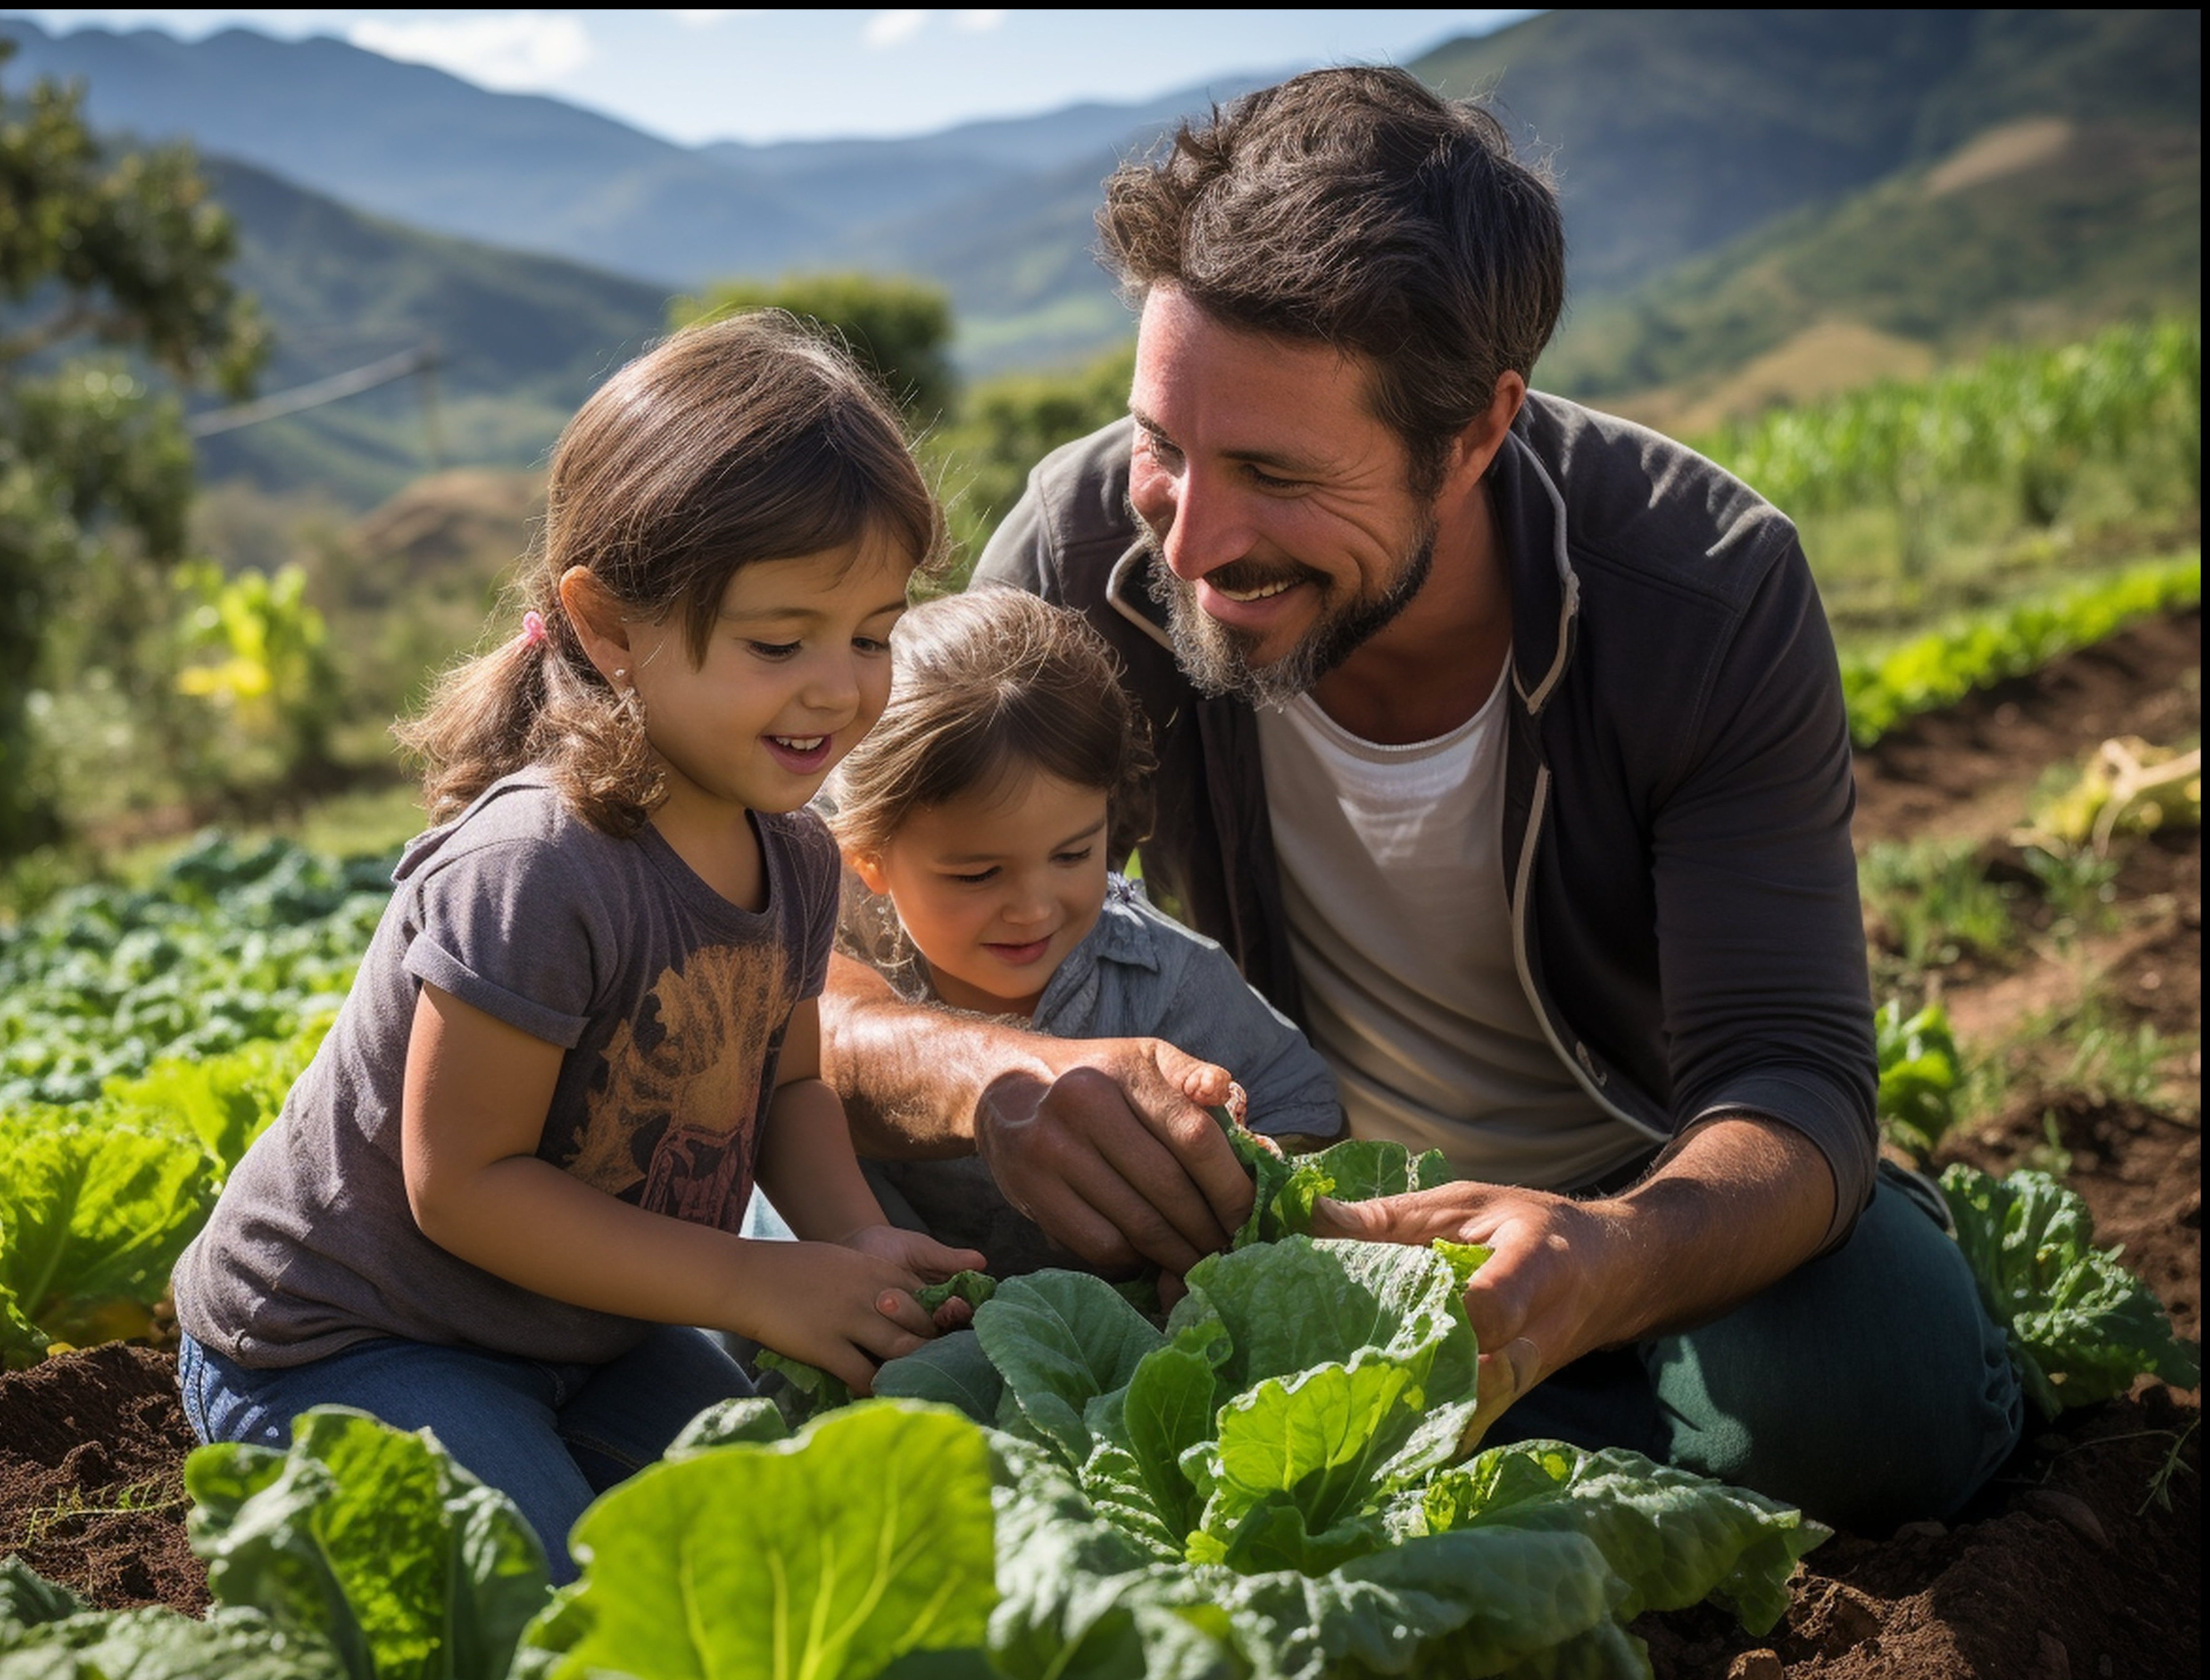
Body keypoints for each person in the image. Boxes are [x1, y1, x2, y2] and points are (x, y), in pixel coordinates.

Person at [823, 69, 2022, 1529]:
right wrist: (986, 1077)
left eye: (1273, 470)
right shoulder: (1085, 556)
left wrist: (1605, 1257)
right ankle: (1539, 1470)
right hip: (1268, 1234)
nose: (1190, 535)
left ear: (1475, 431)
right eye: (1163, 441)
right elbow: (806, 953)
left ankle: (1475, 1442)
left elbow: (1792, 1083)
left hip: (1627, 1210)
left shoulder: (1704, 593)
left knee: (1879, 1379)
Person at [171, 313, 981, 1578]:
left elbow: (791, 1088)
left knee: (773, 1553)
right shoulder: (537, 867)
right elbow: (463, 1184)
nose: (839, 686)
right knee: (543, 1601)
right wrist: (754, 1287)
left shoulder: (798, 855)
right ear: (607, 625)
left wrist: (844, 1244)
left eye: (873, 634)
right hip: (351, 1339)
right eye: (781, 642)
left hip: (595, 1324)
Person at [824, 585, 1342, 1282]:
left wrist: (1243, 1185)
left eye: (1074, 856)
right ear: (870, 858)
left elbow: (1308, 1118)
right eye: (979, 875)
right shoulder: (825, 939)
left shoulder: (1172, 980)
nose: (1034, 908)